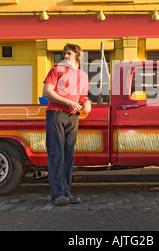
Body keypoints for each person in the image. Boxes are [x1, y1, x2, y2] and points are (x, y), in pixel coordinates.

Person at [42, 43, 92, 206]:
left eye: (69, 54)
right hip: (56, 114)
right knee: (56, 154)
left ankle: (66, 192)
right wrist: (69, 102)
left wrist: (87, 102)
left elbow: (82, 96)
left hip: (73, 117)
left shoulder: (83, 75)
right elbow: (47, 92)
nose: (65, 56)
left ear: (78, 56)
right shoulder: (56, 71)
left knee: (68, 155)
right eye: (64, 53)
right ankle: (57, 194)